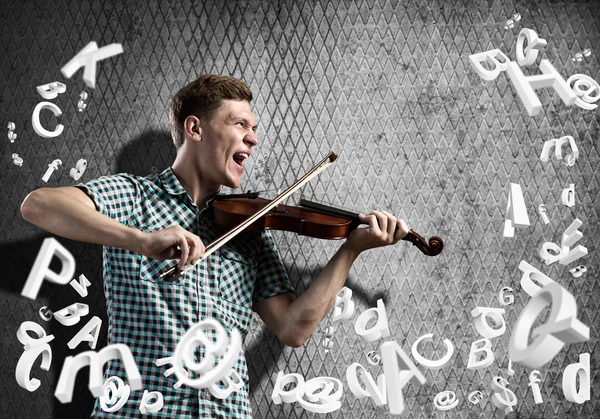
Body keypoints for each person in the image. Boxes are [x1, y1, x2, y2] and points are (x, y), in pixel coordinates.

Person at [20, 74, 409, 418]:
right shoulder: (135, 196)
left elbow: (293, 327)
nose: (253, 138)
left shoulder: (250, 227)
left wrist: (351, 249)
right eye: (239, 123)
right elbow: (38, 205)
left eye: (253, 127)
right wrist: (140, 240)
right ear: (195, 128)